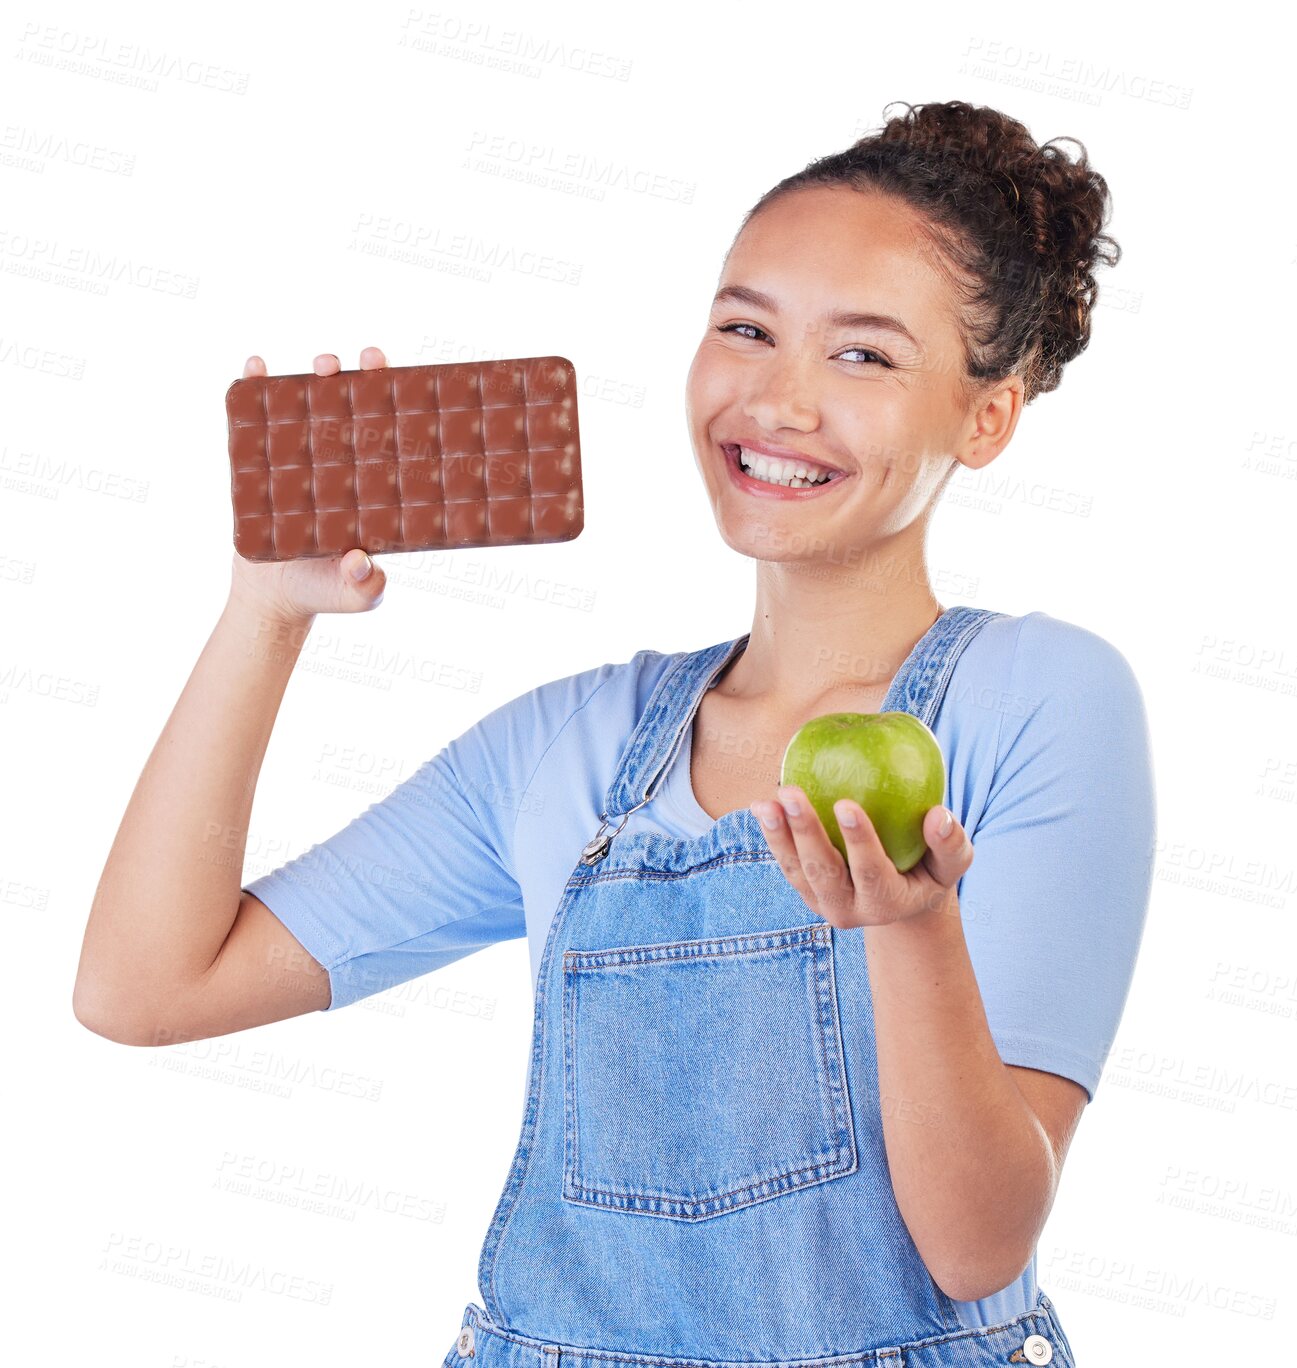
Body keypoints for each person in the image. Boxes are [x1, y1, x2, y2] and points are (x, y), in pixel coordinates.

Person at [75, 100, 1154, 1367]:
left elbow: (975, 1249)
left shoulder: (1032, 699)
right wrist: (268, 607)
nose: (778, 399)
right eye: (744, 329)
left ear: (986, 417)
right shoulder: (571, 749)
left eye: (861, 356)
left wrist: (910, 925)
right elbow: (142, 989)